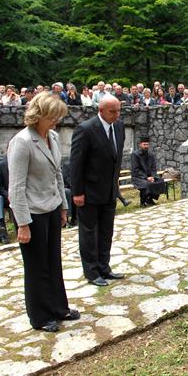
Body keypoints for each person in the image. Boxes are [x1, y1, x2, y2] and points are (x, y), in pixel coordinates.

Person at [8, 91, 79, 333]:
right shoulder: (22, 142)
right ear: (39, 115)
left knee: (53, 261)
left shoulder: (54, 137)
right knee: (37, 266)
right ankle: (39, 316)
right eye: (52, 117)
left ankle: (59, 308)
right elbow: (16, 187)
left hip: (51, 207)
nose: (56, 121)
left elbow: (57, 173)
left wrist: (63, 206)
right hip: (32, 213)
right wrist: (23, 224)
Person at [70, 95, 125, 287]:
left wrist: (115, 186)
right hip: (89, 192)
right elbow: (76, 163)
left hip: (109, 191)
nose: (116, 115)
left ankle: (104, 267)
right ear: (100, 110)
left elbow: (115, 159)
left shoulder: (119, 126)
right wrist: (77, 192)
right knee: (89, 233)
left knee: (106, 232)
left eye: (118, 110)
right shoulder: (85, 130)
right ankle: (92, 272)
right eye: (112, 111)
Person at [131, 137, 166, 207]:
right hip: (138, 177)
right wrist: (146, 178)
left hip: (150, 176)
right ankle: (142, 202)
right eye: (144, 144)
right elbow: (136, 169)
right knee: (147, 184)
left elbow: (153, 168)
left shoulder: (151, 155)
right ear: (140, 145)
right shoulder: (135, 154)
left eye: (147, 144)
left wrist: (153, 176)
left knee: (160, 181)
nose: (146, 146)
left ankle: (150, 199)